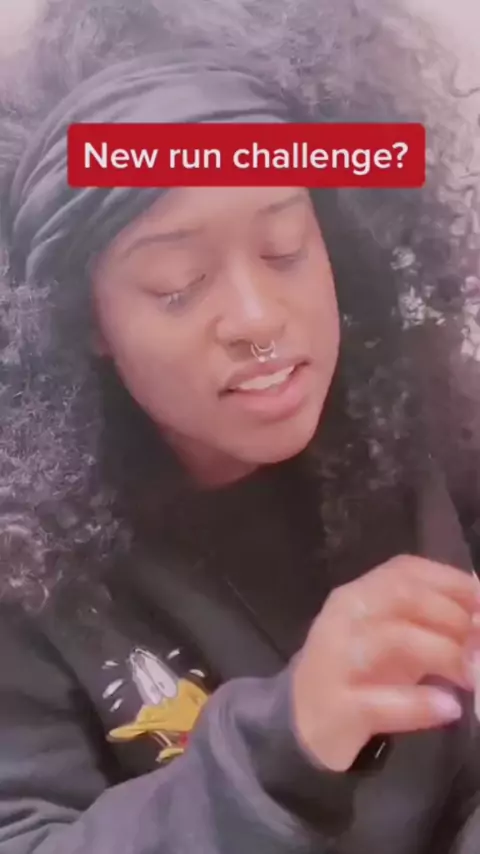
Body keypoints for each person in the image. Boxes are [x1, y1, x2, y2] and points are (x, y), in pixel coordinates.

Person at [0, 2, 480, 854]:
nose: (257, 319)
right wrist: (283, 747)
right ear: (83, 322)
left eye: (285, 247)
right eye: (177, 284)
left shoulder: (430, 415)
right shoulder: (25, 565)